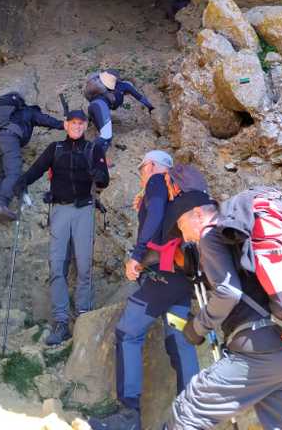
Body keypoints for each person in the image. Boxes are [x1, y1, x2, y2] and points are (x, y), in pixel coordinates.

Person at [161, 191, 282, 430]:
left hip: (260, 354)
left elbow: (228, 292)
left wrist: (197, 327)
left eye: (181, 226)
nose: (184, 236)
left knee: (187, 412)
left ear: (198, 214)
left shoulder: (210, 235)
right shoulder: (241, 235)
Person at [90, 150, 199, 430]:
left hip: (162, 278)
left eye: (141, 170)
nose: (141, 176)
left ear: (150, 166)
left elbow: (156, 215)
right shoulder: (183, 190)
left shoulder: (157, 181)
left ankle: (129, 417)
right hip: (184, 280)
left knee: (128, 333)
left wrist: (137, 255)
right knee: (179, 339)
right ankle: (191, 419)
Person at [14, 109, 110, 346]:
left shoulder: (93, 149)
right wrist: (21, 182)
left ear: (85, 126)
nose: (77, 127)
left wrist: (98, 174)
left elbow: (104, 180)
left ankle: (84, 317)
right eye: (72, 123)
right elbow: (36, 170)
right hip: (59, 210)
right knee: (57, 264)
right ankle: (60, 321)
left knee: (85, 265)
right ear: (65, 125)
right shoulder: (55, 149)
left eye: (81, 123)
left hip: (84, 210)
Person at [0, 92, 64, 221]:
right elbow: (46, 120)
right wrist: (63, 125)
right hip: (9, 137)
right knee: (14, 173)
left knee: (1, 174)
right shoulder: (30, 111)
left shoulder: (9, 116)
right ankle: (1, 203)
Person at [84, 69, 154, 157]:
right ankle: (87, 156)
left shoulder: (104, 86)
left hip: (92, 107)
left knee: (105, 138)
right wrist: (150, 107)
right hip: (101, 106)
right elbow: (140, 97)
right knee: (107, 137)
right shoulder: (126, 86)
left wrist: (90, 118)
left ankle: (95, 157)